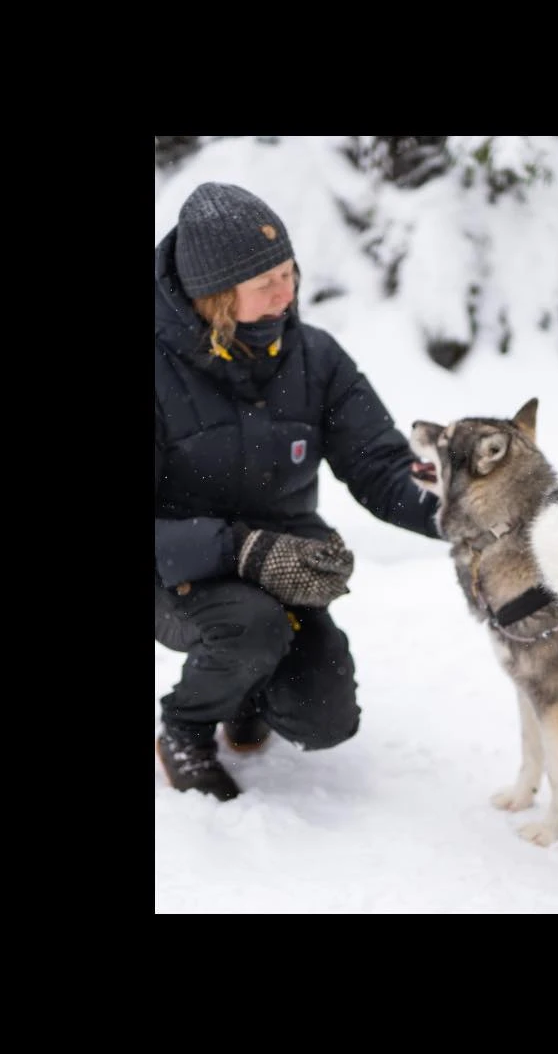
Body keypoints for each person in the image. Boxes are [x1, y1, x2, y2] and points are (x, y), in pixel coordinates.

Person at [155, 182, 443, 801]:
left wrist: (464, 512)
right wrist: (234, 549)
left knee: (325, 718)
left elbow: (379, 465)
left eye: (289, 272)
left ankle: (245, 687)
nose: (287, 294)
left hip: (281, 569)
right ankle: (185, 726)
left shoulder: (315, 357)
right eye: (266, 284)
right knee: (250, 629)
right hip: (175, 576)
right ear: (215, 295)